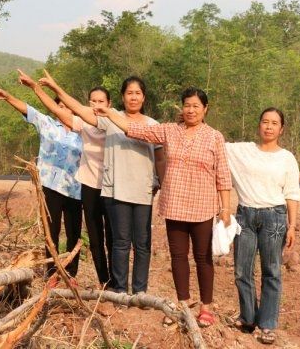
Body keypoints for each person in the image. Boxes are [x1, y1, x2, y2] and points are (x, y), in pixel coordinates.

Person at [94, 87, 232, 327]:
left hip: (202, 206)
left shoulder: (214, 136)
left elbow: (223, 174)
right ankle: (184, 304)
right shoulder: (170, 130)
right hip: (175, 204)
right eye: (187, 105)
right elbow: (135, 129)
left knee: (202, 258)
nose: (191, 110)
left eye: (196, 106)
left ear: (205, 109)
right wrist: (109, 113)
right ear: (182, 108)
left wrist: (226, 207)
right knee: (178, 256)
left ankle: (206, 308)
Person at [40, 71, 165, 295]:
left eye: (138, 93)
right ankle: (117, 289)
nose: (133, 97)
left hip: (142, 192)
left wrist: (161, 182)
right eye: (129, 93)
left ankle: (140, 291)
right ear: (122, 97)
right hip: (115, 191)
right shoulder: (110, 120)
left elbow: (161, 157)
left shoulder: (152, 125)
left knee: (143, 244)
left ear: (144, 98)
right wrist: (54, 87)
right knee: (119, 242)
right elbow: (75, 110)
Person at [16, 70, 114, 288]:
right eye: (94, 101)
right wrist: (36, 87)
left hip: (95, 189)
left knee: (97, 237)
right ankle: (56, 273)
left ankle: (94, 278)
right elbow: (41, 109)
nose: (97, 104)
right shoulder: (77, 125)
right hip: (69, 187)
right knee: (61, 232)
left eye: (101, 101)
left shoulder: (109, 124)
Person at [0, 76, 83, 286]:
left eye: (67, 107)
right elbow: (27, 109)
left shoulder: (83, 132)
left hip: (76, 189)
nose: (63, 110)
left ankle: (71, 273)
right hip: (50, 186)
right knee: (52, 230)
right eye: (59, 106)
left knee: (73, 232)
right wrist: (7, 97)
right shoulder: (48, 124)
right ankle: (52, 272)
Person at [225, 107, 300, 344]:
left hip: (274, 218)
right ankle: (248, 317)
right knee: (242, 271)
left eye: (274, 123)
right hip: (245, 215)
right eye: (265, 122)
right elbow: (216, 142)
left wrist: (293, 225)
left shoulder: (286, 158)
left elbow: (292, 193)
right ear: (259, 125)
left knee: (272, 272)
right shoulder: (241, 151)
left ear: (281, 129)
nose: (268, 126)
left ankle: (267, 324)